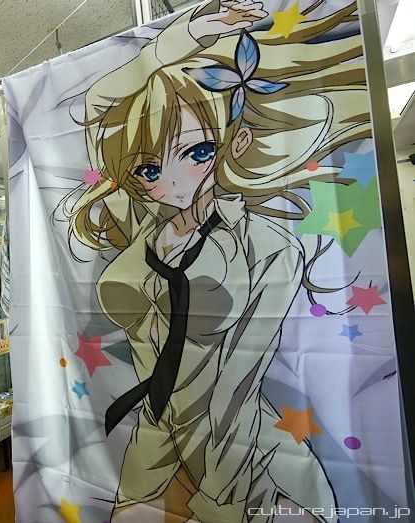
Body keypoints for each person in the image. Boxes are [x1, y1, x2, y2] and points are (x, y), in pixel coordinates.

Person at [62, 0, 367, 521]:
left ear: (234, 141)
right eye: (149, 168)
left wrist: (217, 498)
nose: (171, 181)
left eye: (197, 152)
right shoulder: (139, 221)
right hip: (154, 437)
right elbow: (98, 105)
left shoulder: (269, 247)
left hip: (245, 455)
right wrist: (184, 37)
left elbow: (237, 385)